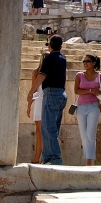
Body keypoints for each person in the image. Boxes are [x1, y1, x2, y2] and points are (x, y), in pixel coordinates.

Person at [27, 36, 67, 164]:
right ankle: (48, 157)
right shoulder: (63, 58)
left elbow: (42, 76)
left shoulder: (49, 58)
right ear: (61, 46)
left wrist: (31, 91)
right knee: (53, 128)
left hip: (51, 93)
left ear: (50, 45)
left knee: (47, 129)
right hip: (61, 93)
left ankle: (54, 158)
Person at [74, 53, 101, 166]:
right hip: (81, 107)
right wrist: (90, 90)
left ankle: (89, 161)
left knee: (91, 135)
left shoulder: (100, 76)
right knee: (83, 134)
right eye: (84, 61)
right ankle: (88, 158)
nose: (85, 63)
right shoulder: (79, 75)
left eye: (88, 61)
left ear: (94, 63)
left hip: (93, 107)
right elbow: (76, 91)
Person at [26, 50, 46, 164]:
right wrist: (29, 106)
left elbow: (33, 93)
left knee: (40, 131)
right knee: (41, 131)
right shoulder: (36, 73)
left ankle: (39, 157)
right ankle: (39, 156)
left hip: (40, 102)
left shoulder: (37, 72)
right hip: (41, 101)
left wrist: (29, 106)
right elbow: (33, 90)